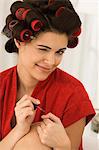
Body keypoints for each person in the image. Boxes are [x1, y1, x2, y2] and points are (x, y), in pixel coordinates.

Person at [0, 0, 95, 150]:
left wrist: (63, 146)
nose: (51, 61)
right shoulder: (1, 85)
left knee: (39, 138)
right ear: (19, 41)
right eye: (43, 49)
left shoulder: (73, 94)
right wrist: (20, 130)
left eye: (59, 52)